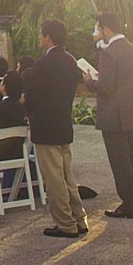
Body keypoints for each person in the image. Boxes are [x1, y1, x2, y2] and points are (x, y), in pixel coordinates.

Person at [85, 12, 133, 220]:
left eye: (99, 30)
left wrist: (89, 81)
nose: (99, 34)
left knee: (120, 161)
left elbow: (106, 87)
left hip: (114, 114)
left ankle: (129, 206)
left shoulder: (108, 52)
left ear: (107, 30)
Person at [26, 18, 89, 237]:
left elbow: (32, 95)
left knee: (53, 178)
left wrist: (28, 110)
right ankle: (79, 218)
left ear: (48, 37)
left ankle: (65, 223)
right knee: (66, 175)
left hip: (45, 125)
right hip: (63, 122)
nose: (39, 37)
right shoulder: (70, 60)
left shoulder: (43, 64)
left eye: (41, 34)